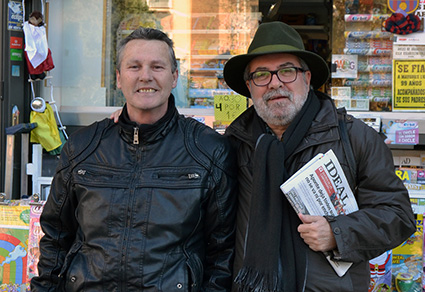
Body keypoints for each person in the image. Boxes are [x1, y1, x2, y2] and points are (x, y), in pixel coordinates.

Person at [31, 27, 237, 291]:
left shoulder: (209, 150)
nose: (146, 76)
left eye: (157, 67)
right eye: (134, 66)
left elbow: (222, 252)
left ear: (174, 77)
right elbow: (55, 237)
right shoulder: (83, 147)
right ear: (118, 78)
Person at [222, 21, 416, 292]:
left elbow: (399, 216)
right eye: (262, 75)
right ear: (249, 86)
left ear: (307, 78)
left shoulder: (355, 138)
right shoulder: (232, 145)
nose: (275, 83)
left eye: (287, 71)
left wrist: (338, 233)